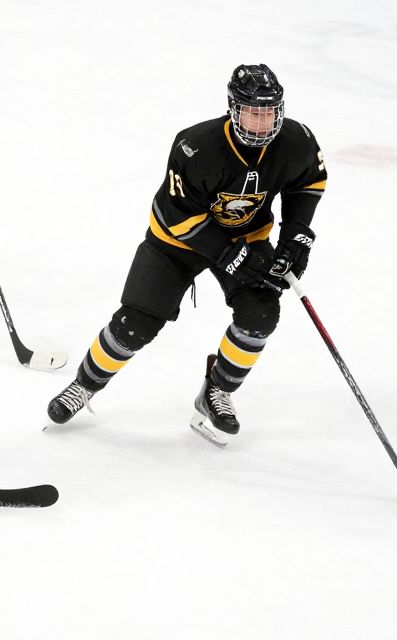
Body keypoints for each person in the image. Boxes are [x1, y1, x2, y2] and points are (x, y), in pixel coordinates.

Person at [46, 64, 327, 447]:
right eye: (252, 112)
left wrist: (297, 236)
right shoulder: (196, 147)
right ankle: (84, 385)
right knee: (136, 323)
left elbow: (308, 182)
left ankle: (216, 392)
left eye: (269, 112)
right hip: (176, 241)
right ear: (233, 108)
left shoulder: (297, 140)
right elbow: (180, 217)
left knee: (261, 314)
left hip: (247, 237)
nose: (262, 123)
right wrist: (231, 257)